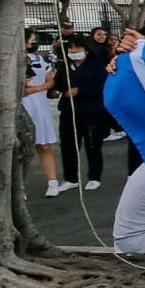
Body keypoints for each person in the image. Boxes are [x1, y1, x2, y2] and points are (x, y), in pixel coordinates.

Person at [51, 36, 109, 190]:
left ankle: (94, 176)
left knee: (92, 145)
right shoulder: (65, 67)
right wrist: (53, 91)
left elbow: (102, 88)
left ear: (86, 50)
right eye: (71, 48)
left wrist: (80, 91)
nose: (74, 51)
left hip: (91, 112)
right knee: (68, 145)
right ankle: (70, 178)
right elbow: (57, 84)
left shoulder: (97, 67)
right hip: (68, 112)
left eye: (77, 48)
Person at [24, 29, 64, 196]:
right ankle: (19, 187)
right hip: (22, 106)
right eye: (32, 40)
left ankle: (53, 182)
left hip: (39, 104)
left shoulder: (39, 59)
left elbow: (50, 81)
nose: (35, 43)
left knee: (44, 145)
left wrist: (36, 89)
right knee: (20, 149)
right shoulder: (12, 60)